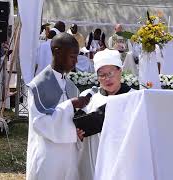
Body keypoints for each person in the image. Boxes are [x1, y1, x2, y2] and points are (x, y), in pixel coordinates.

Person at [26, 32, 91, 180]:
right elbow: (40, 123)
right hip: (49, 156)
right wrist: (71, 104)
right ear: (57, 51)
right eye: (72, 57)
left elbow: (72, 120)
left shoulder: (69, 85)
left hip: (70, 156)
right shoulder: (38, 85)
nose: (75, 62)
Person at [75, 49, 135, 180]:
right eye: (102, 75)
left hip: (124, 158)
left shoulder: (134, 97)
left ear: (120, 71)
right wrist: (77, 134)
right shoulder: (89, 99)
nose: (107, 79)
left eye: (110, 73)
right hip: (96, 159)